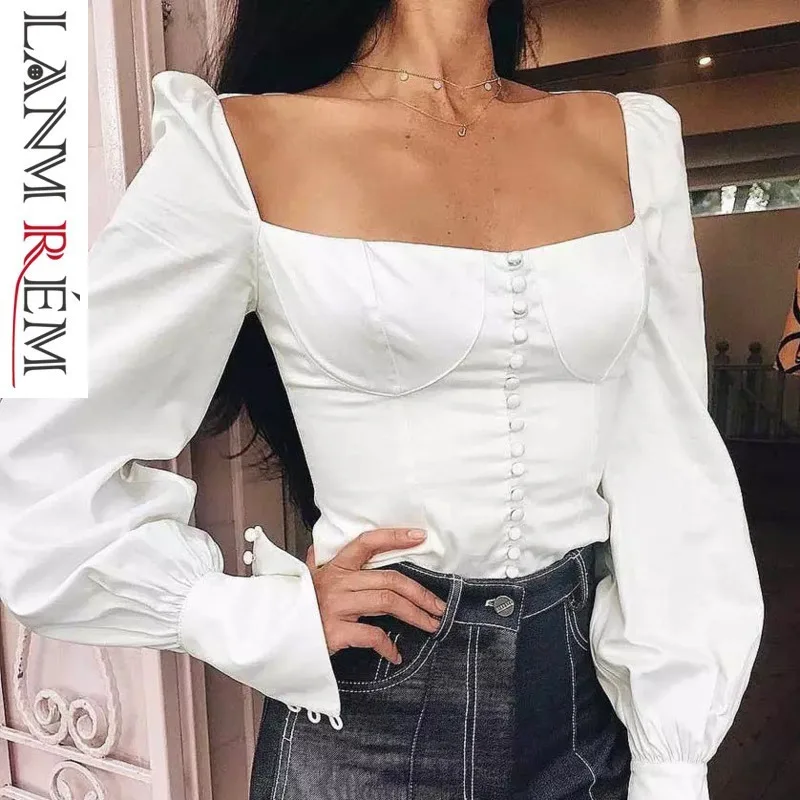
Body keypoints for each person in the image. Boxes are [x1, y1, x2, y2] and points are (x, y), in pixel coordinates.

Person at [0, 2, 764, 799]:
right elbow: (40, 439)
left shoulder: (630, 140)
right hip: (373, 715)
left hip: (580, 709)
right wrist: (243, 616)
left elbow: (671, 460)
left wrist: (673, 759)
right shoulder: (241, 145)